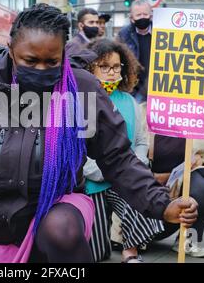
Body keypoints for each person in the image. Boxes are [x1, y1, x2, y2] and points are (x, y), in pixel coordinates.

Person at [0, 3, 198, 263]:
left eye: (51, 62)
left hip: (60, 209)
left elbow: (118, 158)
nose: (41, 69)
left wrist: (162, 204)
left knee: (59, 228)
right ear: (10, 48)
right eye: (30, 60)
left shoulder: (82, 89)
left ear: (63, 53)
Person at [84, 39, 164, 263]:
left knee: (142, 199)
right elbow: (76, 150)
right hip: (92, 183)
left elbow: (140, 141)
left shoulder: (129, 101)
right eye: (104, 66)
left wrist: (132, 167)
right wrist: (105, 171)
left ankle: (131, 253)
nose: (111, 72)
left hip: (123, 178)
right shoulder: (80, 101)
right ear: (91, 67)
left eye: (116, 66)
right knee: (97, 254)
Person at [148, 133, 204, 258]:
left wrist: (202, 161)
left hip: (186, 179)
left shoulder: (203, 115)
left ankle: (188, 240)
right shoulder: (143, 113)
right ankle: (133, 238)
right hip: (148, 184)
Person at [117, 0, 152, 103]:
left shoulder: (161, 32)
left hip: (157, 88)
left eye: (145, 14)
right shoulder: (124, 34)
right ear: (131, 18)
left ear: (151, 15)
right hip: (135, 90)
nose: (142, 17)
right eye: (138, 15)